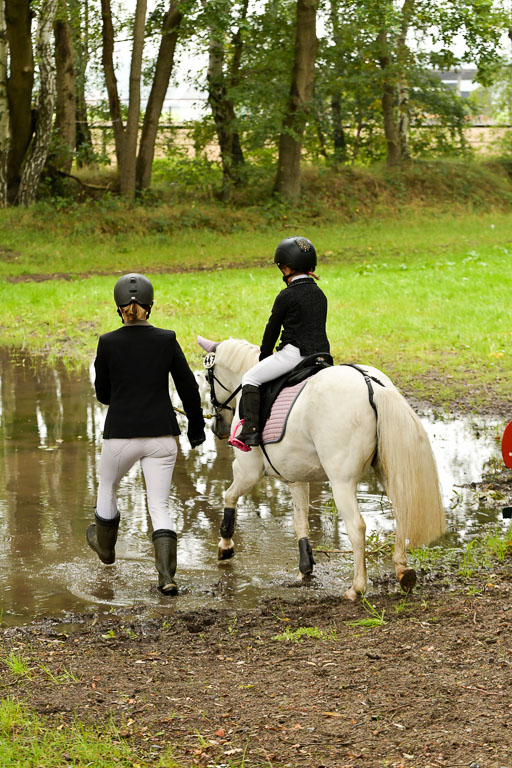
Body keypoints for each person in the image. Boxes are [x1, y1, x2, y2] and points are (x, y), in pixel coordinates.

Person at [86, 272, 205, 596]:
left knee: (107, 487)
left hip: (120, 436)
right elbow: (188, 387)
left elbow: (103, 393)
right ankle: (166, 577)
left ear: (118, 308)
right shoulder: (166, 339)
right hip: (161, 437)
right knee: (159, 505)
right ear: (150, 306)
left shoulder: (107, 343)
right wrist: (196, 427)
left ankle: (106, 550)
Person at [229, 236, 330, 452]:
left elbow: (271, 330)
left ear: (286, 267)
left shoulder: (287, 295)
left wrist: (264, 356)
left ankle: (250, 432)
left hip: (295, 354)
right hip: (322, 355)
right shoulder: (320, 294)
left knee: (251, 378)